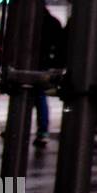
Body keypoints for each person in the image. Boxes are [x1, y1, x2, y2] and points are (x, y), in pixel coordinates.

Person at [32, 10, 66, 149]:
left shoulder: (34, 22)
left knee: (34, 96)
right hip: (45, 64)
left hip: (36, 62)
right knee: (40, 97)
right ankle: (43, 131)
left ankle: (42, 130)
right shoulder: (54, 22)